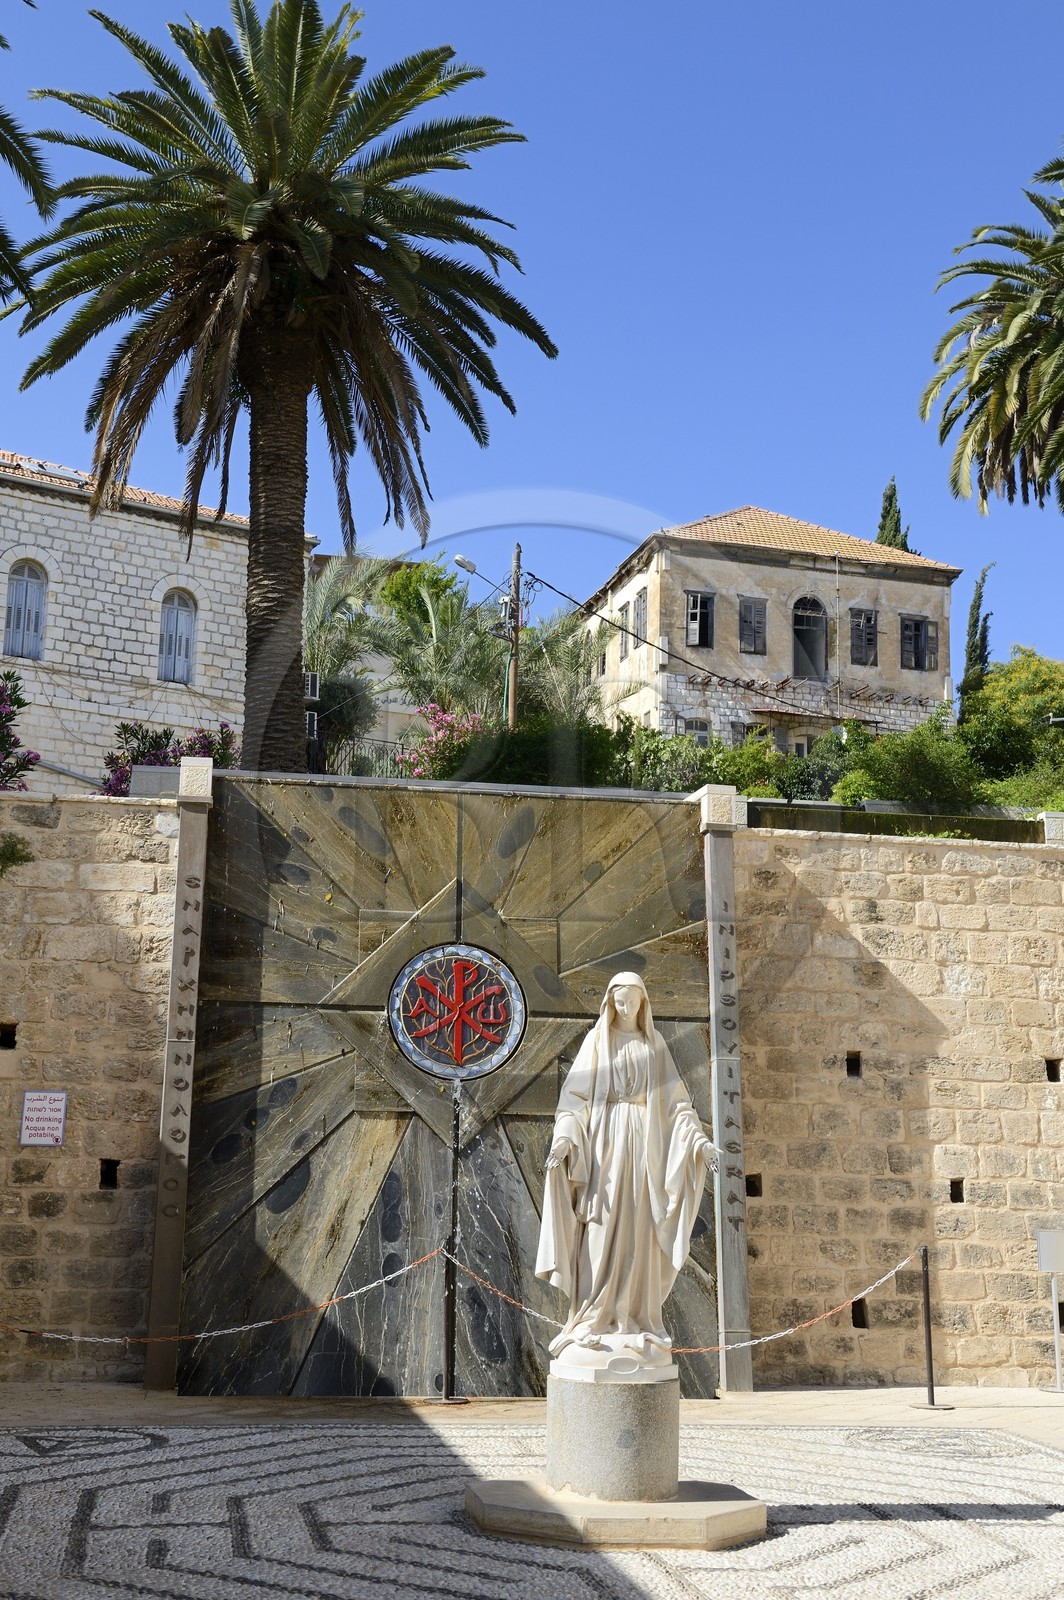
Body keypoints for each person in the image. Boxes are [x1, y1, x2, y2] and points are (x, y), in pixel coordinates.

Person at [535, 971, 718, 1372]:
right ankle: (592, 1316)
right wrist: (564, 1139)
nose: (626, 1007)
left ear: (643, 1003)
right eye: (619, 1001)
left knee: (638, 1230)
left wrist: (699, 1143)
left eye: (632, 1001)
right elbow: (574, 1100)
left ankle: (634, 1317)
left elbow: (678, 1105)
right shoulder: (596, 1042)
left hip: (644, 1149)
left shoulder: (654, 1046)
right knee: (599, 1230)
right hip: (602, 1147)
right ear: (610, 1003)